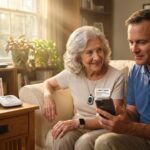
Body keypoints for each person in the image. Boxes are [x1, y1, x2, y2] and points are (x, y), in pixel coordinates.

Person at [43, 26, 125, 150]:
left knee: (84, 144)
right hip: (79, 126)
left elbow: (110, 118)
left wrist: (77, 123)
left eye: (99, 50)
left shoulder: (116, 77)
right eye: (89, 52)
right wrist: (47, 96)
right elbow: (48, 83)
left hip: (103, 128)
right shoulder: (73, 73)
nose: (97, 57)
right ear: (78, 56)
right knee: (59, 137)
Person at [95, 9, 150, 150]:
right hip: (141, 136)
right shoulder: (135, 71)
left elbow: (132, 127)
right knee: (98, 141)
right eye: (131, 42)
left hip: (141, 133)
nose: (134, 49)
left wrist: (130, 128)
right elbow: (133, 112)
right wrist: (123, 115)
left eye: (141, 42)